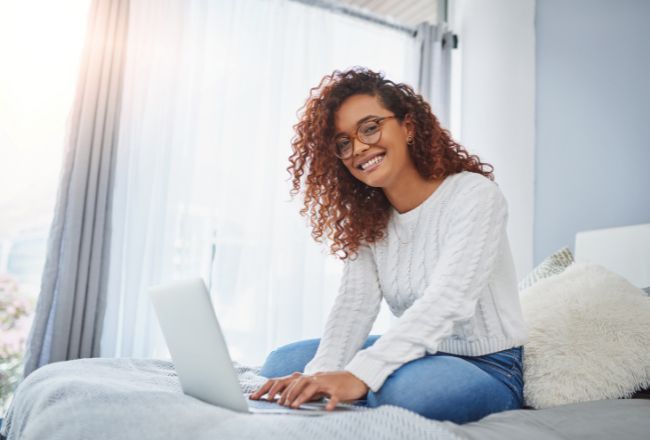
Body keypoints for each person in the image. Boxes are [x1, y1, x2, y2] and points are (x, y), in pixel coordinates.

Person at [249, 67, 529, 424]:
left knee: (404, 395)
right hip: (421, 351)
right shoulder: (370, 218)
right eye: (344, 142)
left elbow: (448, 302)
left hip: (488, 364)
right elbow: (354, 305)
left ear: (408, 127)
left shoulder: (474, 196)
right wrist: (320, 374)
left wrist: (361, 375)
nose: (359, 148)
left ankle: (375, 384)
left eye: (370, 127)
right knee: (283, 364)